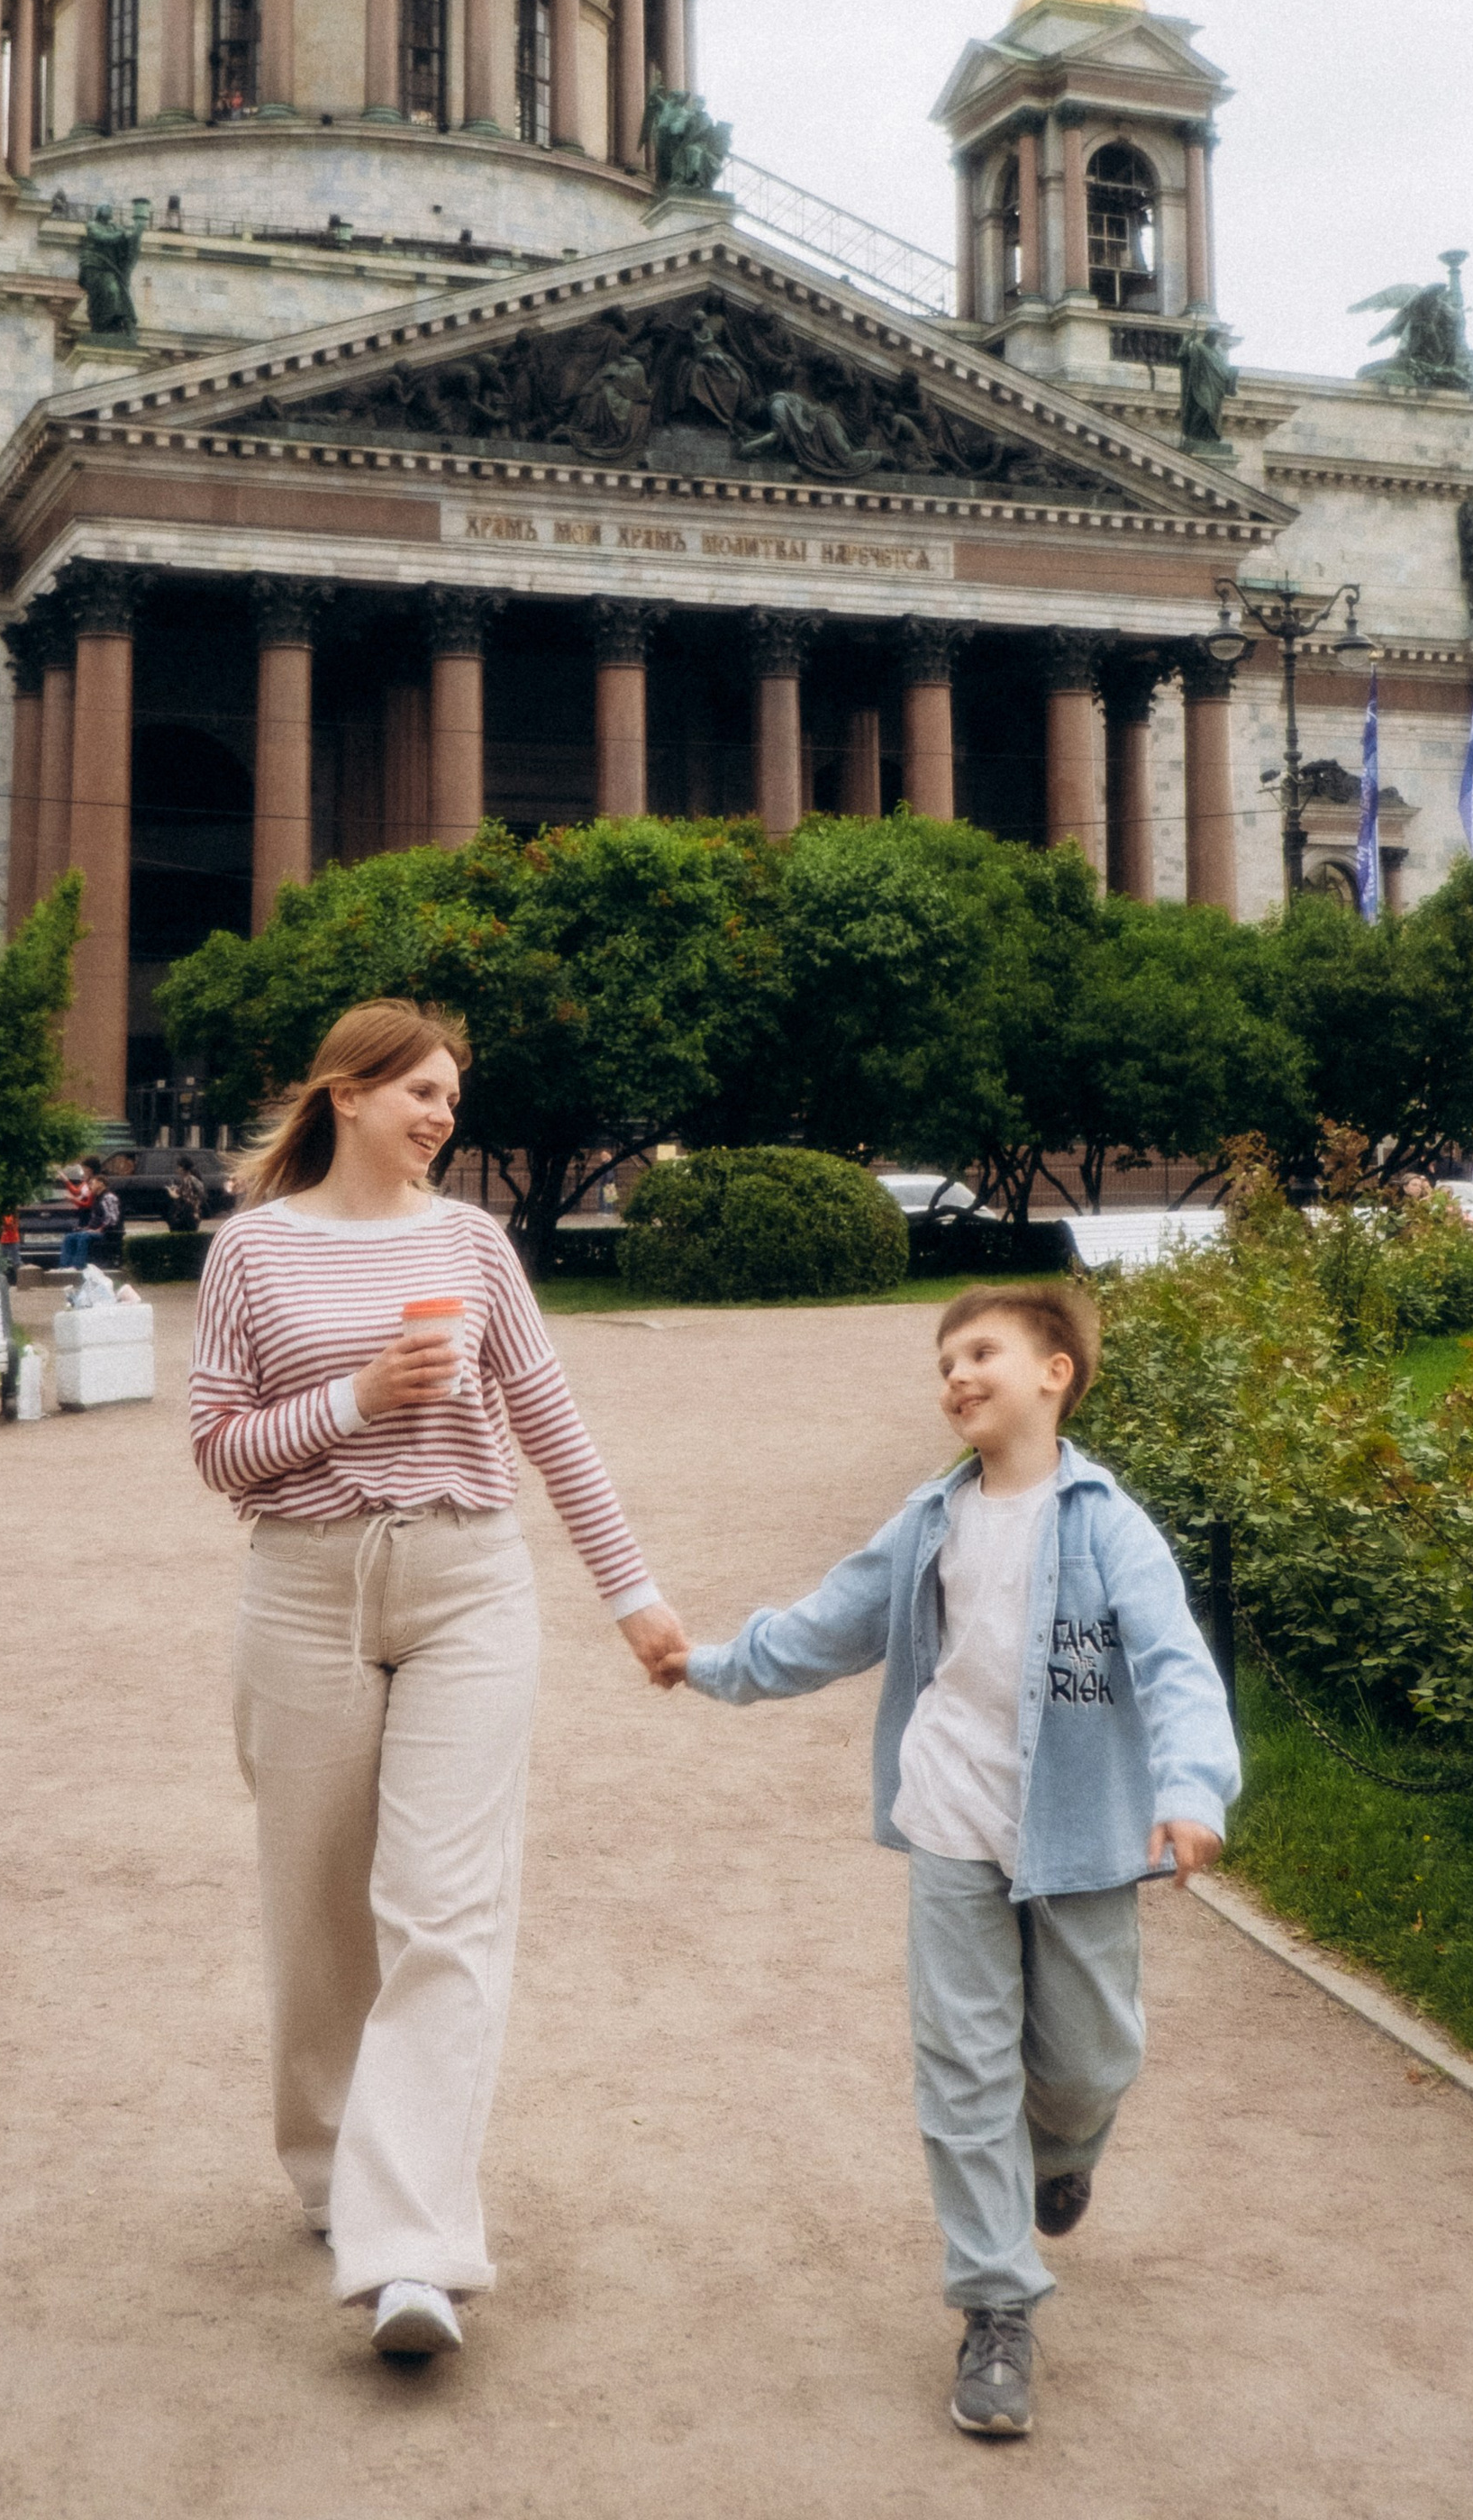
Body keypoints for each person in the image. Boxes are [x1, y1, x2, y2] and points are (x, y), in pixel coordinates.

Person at [648, 1285, 1238, 2442]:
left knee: (1084, 2062)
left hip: (1079, 1837)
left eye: (981, 1353)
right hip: (952, 1822)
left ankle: (1061, 2153)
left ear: (1054, 1374)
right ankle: (996, 2305)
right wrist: (709, 1664)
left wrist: (1189, 1789)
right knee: (964, 2072)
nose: (955, 1376)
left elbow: (1174, 1665)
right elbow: (827, 1626)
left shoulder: (1105, 1523)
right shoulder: (929, 1520)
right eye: (944, 1362)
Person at [190, 998, 684, 2366]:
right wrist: (356, 1396)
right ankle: (329, 2168)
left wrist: (631, 1596)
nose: (440, 1114)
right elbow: (218, 1452)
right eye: (418, 1089)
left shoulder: (474, 1245)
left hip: (469, 1581)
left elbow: (552, 1425)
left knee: (446, 1912)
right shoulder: (251, 1251)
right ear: (345, 1094)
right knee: (317, 1911)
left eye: (453, 1097)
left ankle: (409, 2249)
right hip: (304, 1587)